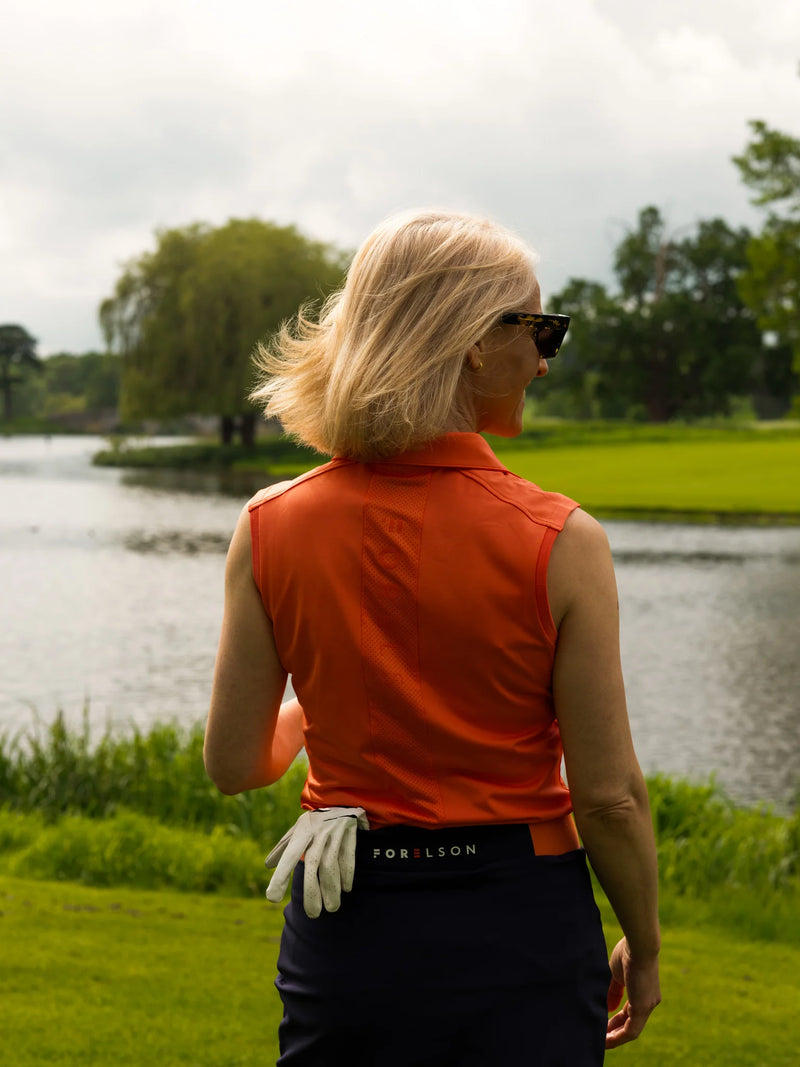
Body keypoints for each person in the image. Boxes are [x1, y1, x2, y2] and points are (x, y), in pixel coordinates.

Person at [203, 209, 661, 1065]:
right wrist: (647, 938)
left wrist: (324, 711)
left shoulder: (270, 524)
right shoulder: (561, 539)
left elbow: (233, 763)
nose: (547, 356)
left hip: (347, 923)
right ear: (477, 342)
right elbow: (607, 796)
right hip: (519, 917)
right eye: (540, 327)